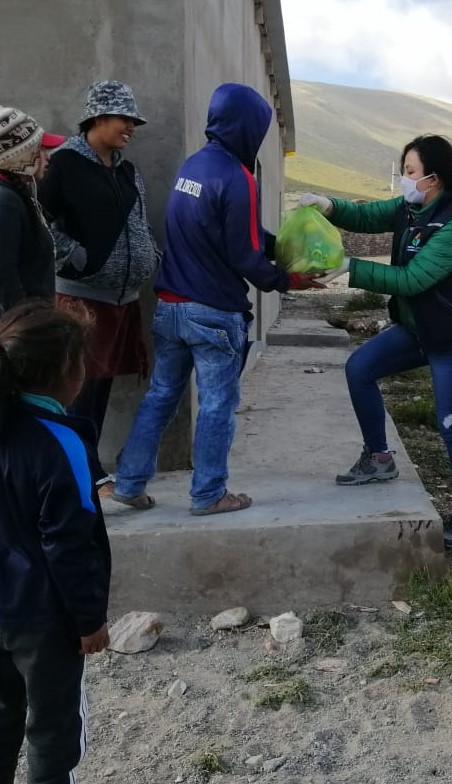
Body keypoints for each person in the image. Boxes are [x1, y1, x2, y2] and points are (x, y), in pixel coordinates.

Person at [113, 83, 322, 515]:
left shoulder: (194, 167)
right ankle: (209, 494)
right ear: (246, 127)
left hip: (170, 307)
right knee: (217, 406)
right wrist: (288, 280)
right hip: (212, 315)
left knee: (160, 397)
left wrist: (275, 244)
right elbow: (243, 254)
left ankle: (129, 482)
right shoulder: (238, 177)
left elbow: (221, 233)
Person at [0, 301, 111, 784]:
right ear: (66, 373)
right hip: (47, 623)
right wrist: (89, 620)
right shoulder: (63, 442)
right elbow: (69, 543)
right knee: (53, 730)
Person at [298, 134, 452, 549]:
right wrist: (328, 205)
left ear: (433, 179)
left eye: (410, 173)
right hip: (420, 328)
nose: (404, 181)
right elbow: (367, 216)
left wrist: (350, 267)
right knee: (360, 368)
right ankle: (379, 457)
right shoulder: (410, 208)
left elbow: (411, 280)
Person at [39, 80, 161, 498]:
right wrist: (76, 257)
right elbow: (39, 223)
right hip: (81, 298)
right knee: (79, 390)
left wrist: (151, 256)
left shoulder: (126, 169)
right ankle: (85, 474)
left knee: (100, 389)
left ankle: (87, 470)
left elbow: (139, 224)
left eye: (134, 120)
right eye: (124, 118)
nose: (131, 126)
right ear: (98, 117)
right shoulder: (65, 165)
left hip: (120, 300)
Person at [0, 106, 66, 345]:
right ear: (20, 155)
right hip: (5, 325)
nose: (48, 156)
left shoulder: (15, 193)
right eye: (41, 149)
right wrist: (27, 329)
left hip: (20, 320)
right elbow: (2, 278)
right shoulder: (0, 202)